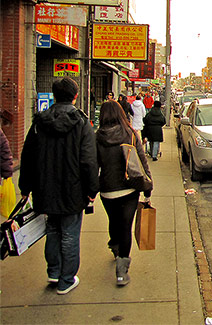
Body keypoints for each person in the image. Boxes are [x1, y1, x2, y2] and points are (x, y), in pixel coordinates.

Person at [19, 77, 99, 295]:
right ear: (75, 95)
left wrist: (25, 188)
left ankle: (53, 272)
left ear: (54, 95)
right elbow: (89, 161)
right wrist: (92, 190)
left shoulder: (39, 122)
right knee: (70, 234)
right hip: (73, 189)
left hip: (44, 188)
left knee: (52, 230)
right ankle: (66, 279)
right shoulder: (82, 123)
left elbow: (28, 157)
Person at [95, 100, 152, 286]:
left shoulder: (97, 137)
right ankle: (121, 271)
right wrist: (148, 187)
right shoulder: (131, 134)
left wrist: (90, 189)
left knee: (114, 221)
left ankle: (115, 246)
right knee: (126, 226)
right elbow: (143, 162)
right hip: (130, 187)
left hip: (107, 189)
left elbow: (92, 165)